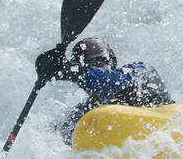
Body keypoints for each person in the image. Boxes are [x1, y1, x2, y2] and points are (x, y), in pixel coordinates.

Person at [34, 37, 174, 145]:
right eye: (91, 64)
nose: (98, 68)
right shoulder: (87, 111)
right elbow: (54, 138)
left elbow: (108, 82)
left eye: (101, 62)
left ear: (111, 64)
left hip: (169, 129)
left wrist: (67, 70)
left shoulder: (140, 71)